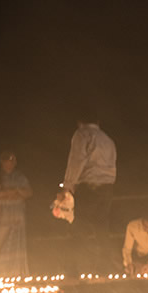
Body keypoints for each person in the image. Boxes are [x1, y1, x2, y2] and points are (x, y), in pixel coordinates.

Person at [58, 114, 116, 275]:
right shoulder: (107, 139)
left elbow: (76, 160)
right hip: (107, 187)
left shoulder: (83, 134)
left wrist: (68, 186)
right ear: (98, 121)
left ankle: (72, 271)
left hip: (90, 186)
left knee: (78, 228)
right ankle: (105, 270)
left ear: (79, 121)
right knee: (102, 229)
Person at [0, 150, 33, 276]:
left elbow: (28, 192)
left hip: (16, 218)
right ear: (1, 163)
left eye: (11, 161)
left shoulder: (20, 177)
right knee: (0, 245)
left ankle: (16, 274)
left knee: (16, 246)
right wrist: (6, 194)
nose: (8, 164)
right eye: (5, 161)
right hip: (0, 218)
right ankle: (0, 274)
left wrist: (15, 191)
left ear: (14, 162)